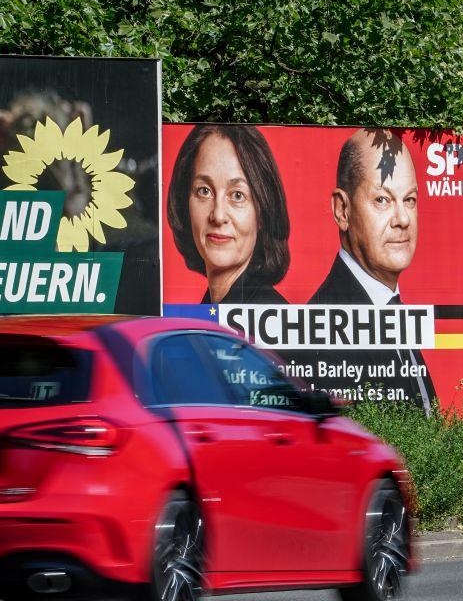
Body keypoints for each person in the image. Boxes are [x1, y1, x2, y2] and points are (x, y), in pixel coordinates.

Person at [308, 128, 437, 410]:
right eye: (382, 200)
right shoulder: (326, 319)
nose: (402, 219)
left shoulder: (393, 307)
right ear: (343, 210)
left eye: (410, 200)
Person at [166, 124, 290, 304]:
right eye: (204, 191)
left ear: (262, 212)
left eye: (237, 195)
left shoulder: (268, 318)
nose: (218, 216)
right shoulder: (211, 307)